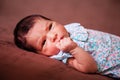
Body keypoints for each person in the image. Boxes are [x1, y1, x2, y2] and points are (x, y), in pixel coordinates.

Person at [13, 14, 120, 79]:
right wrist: (74, 49)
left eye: (50, 27)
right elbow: (90, 68)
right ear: (40, 54)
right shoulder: (64, 56)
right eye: (44, 42)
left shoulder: (69, 29)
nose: (53, 35)